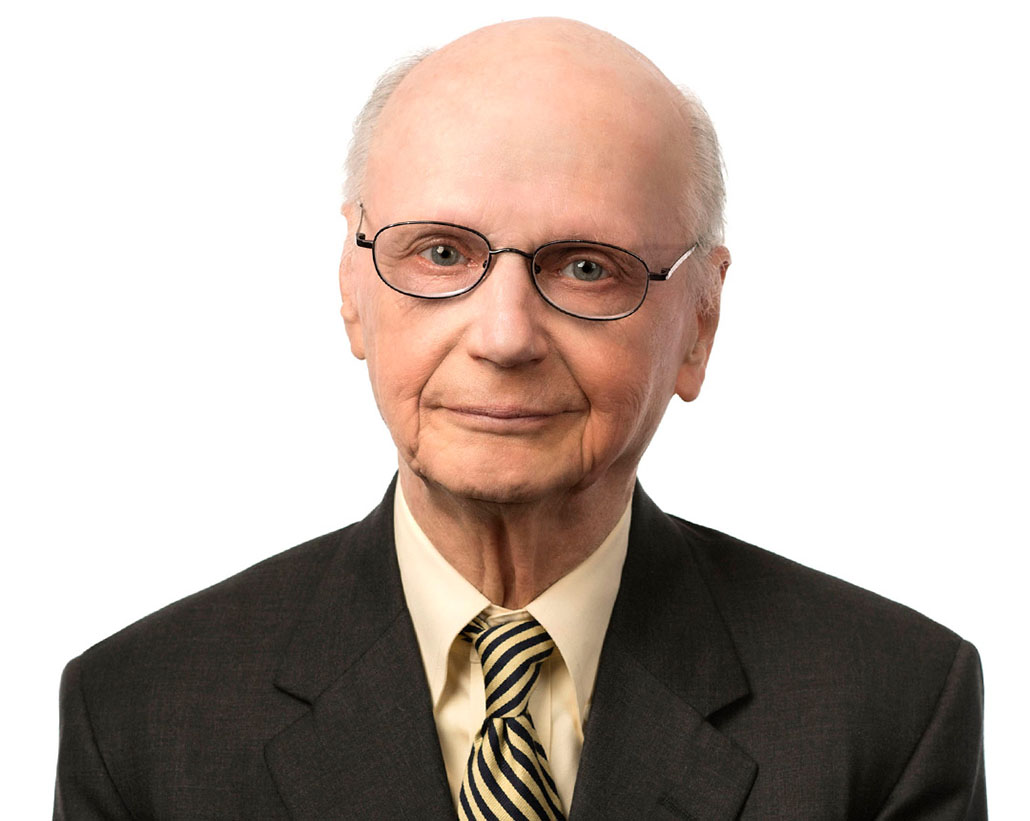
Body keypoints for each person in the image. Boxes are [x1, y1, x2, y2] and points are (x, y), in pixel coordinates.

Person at [54, 17, 986, 820]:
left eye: (586, 267)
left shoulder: (891, 709)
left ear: (701, 319)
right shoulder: (138, 717)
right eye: (441, 253)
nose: (504, 336)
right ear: (352, 289)